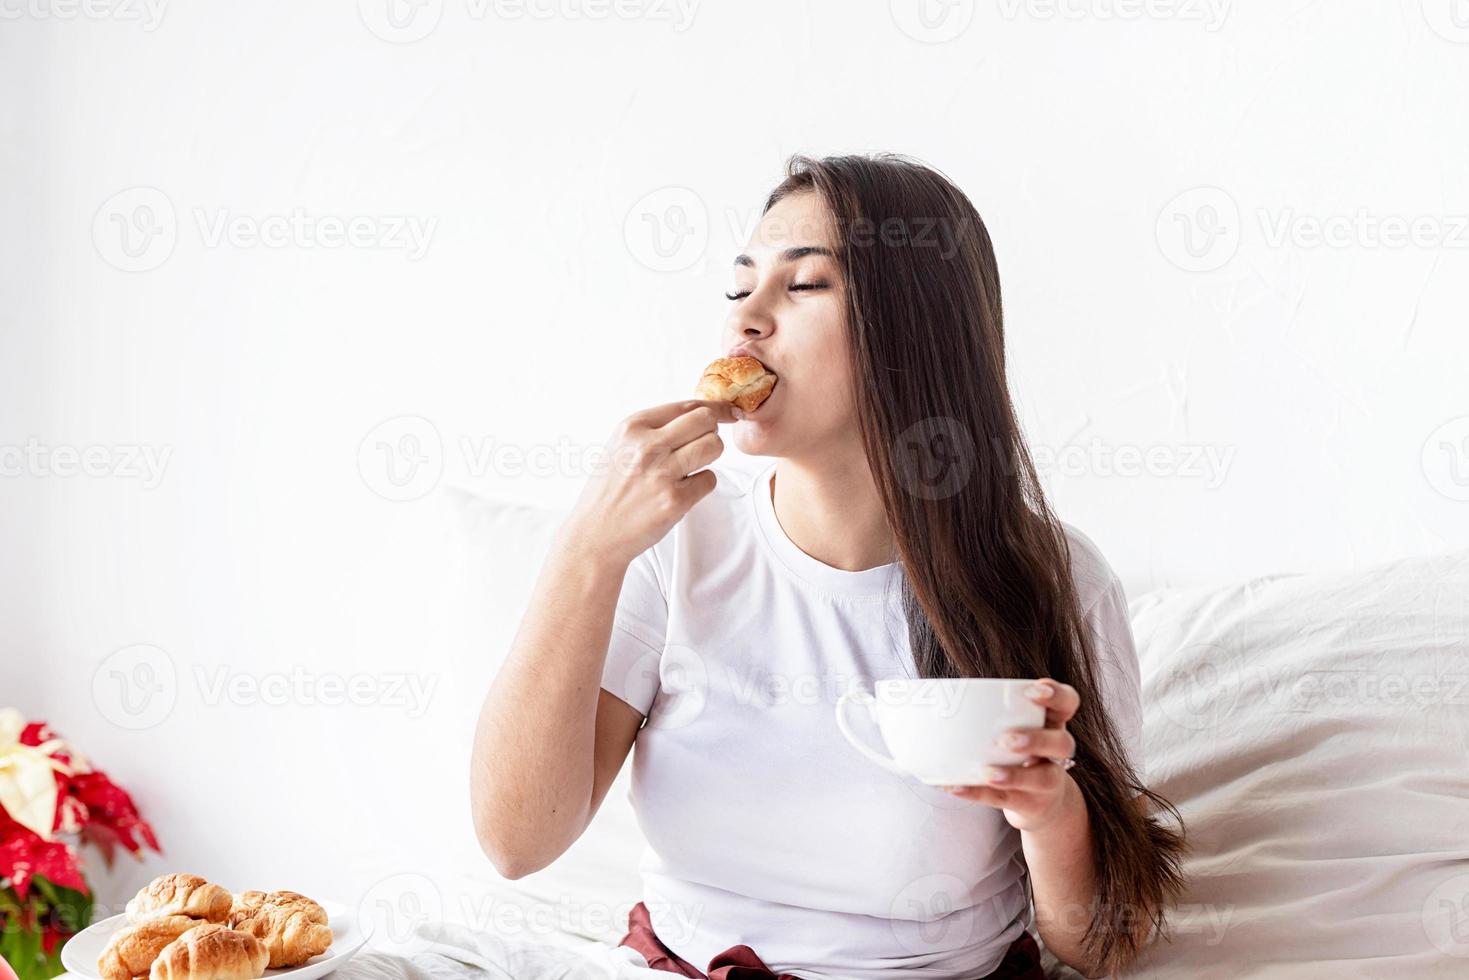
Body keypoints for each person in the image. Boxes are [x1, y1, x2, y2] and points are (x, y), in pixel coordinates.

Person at [470, 153, 1186, 980]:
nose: (746, 320)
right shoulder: (674, 543)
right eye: (740, 288)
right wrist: (585, 551)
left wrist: (1050, 813)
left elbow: (1103, 944)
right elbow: (515, 843)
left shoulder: (1052, 578)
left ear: (915, 327)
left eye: (802, 285)